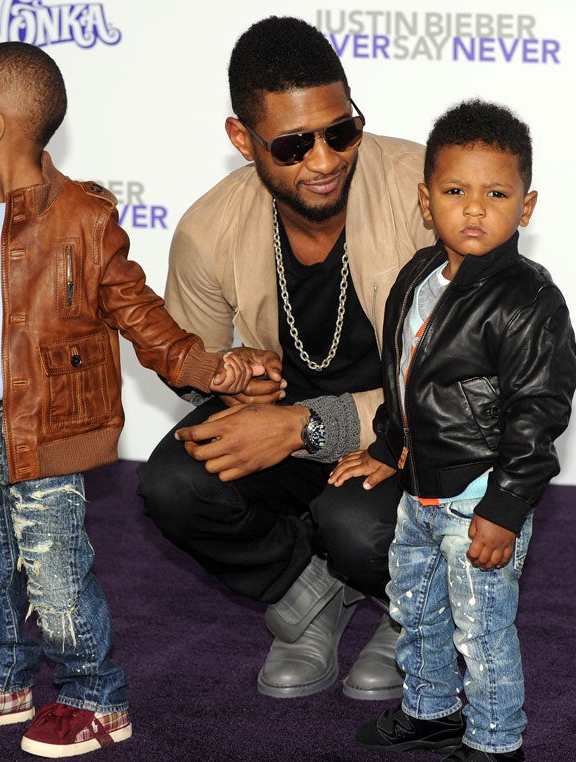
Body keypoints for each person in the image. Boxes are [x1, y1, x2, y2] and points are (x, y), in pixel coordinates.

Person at [0, 42, 275, 759]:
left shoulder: (83, 218)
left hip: (46, 432)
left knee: (56, 576)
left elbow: (140, 315)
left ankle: (94, 696)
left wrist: (212, 369)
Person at [137, 16, 434, 701]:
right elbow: (191, 362)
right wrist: (231, 378)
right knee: (175, 482)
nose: (325, 160)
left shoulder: (427, 193)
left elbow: (467, 379)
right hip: (292, 432)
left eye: (341, 131)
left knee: (356, 525)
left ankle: (414, 611)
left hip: (415, 440)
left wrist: (307, 426)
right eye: (295, 145)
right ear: (242, 140)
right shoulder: (209, 229)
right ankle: (310, 592)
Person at [332, 100, 576, 760]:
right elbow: (404, 377)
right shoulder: (417, 275)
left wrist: (504, 507)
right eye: (454, 191)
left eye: (496, 194)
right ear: (425, 200)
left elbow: (538, 415)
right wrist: (388, 446)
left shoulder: (529, 300)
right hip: (419, 490)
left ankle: (496, 741)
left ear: (526, 207)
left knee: (482, 628)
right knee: (415, 608)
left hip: (478, 496)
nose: (474, 209)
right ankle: (431, 710)